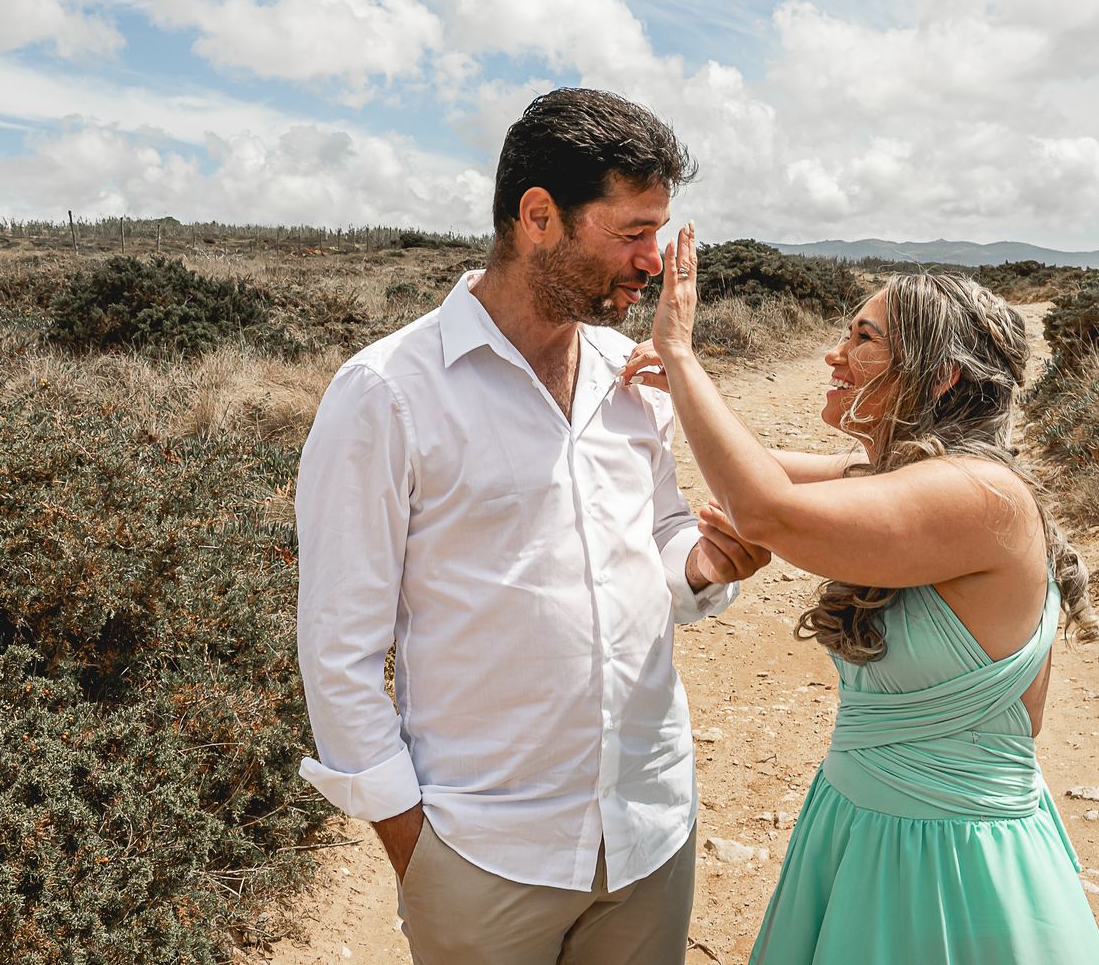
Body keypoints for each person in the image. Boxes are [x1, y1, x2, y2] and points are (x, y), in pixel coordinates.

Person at [295, 89, 770, 965]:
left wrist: (701, 565)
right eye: (631, 231)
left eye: (659, 231)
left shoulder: (636, 378)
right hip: (481, 852)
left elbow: (658, 538)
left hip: (650, 829)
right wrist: (417, 852)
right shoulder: (388, 392)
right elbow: (338, 651)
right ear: (540, 217)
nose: (653, 261)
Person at [621, 229, 1099, 963]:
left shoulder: (979, 495)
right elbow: (751, 468)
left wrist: (684, 354)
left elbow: (765, 510)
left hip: (951, 860)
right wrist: (673, 391)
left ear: (939, 376)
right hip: (866, 828)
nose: (834, 354)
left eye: (864, 337)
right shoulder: (899, 473)